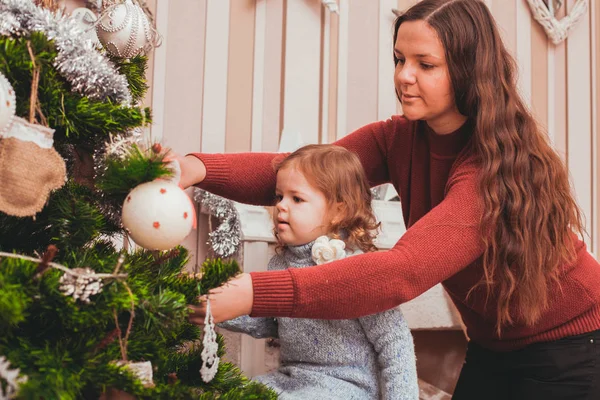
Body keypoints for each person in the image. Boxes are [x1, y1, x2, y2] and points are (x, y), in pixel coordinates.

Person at [181, 0, 600, 398]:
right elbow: (303, 177)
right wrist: (196, 169)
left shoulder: (489, 172)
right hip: (494, 349)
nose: (404, 76)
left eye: (425, 64)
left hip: (574, 348)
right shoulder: (396, 139)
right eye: (400, 59)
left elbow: (401, 273)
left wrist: (255, 291)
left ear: (469, 70)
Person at [216, 144, 418, 400]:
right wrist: (215, 307)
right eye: (279, 197)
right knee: (234, 394)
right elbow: (270, 322)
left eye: (296, 199)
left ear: (338, 211)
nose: (281, 206)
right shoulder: (280, 264)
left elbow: (394, 341)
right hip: (292, 377)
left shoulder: (358, 269)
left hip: (348, 386)